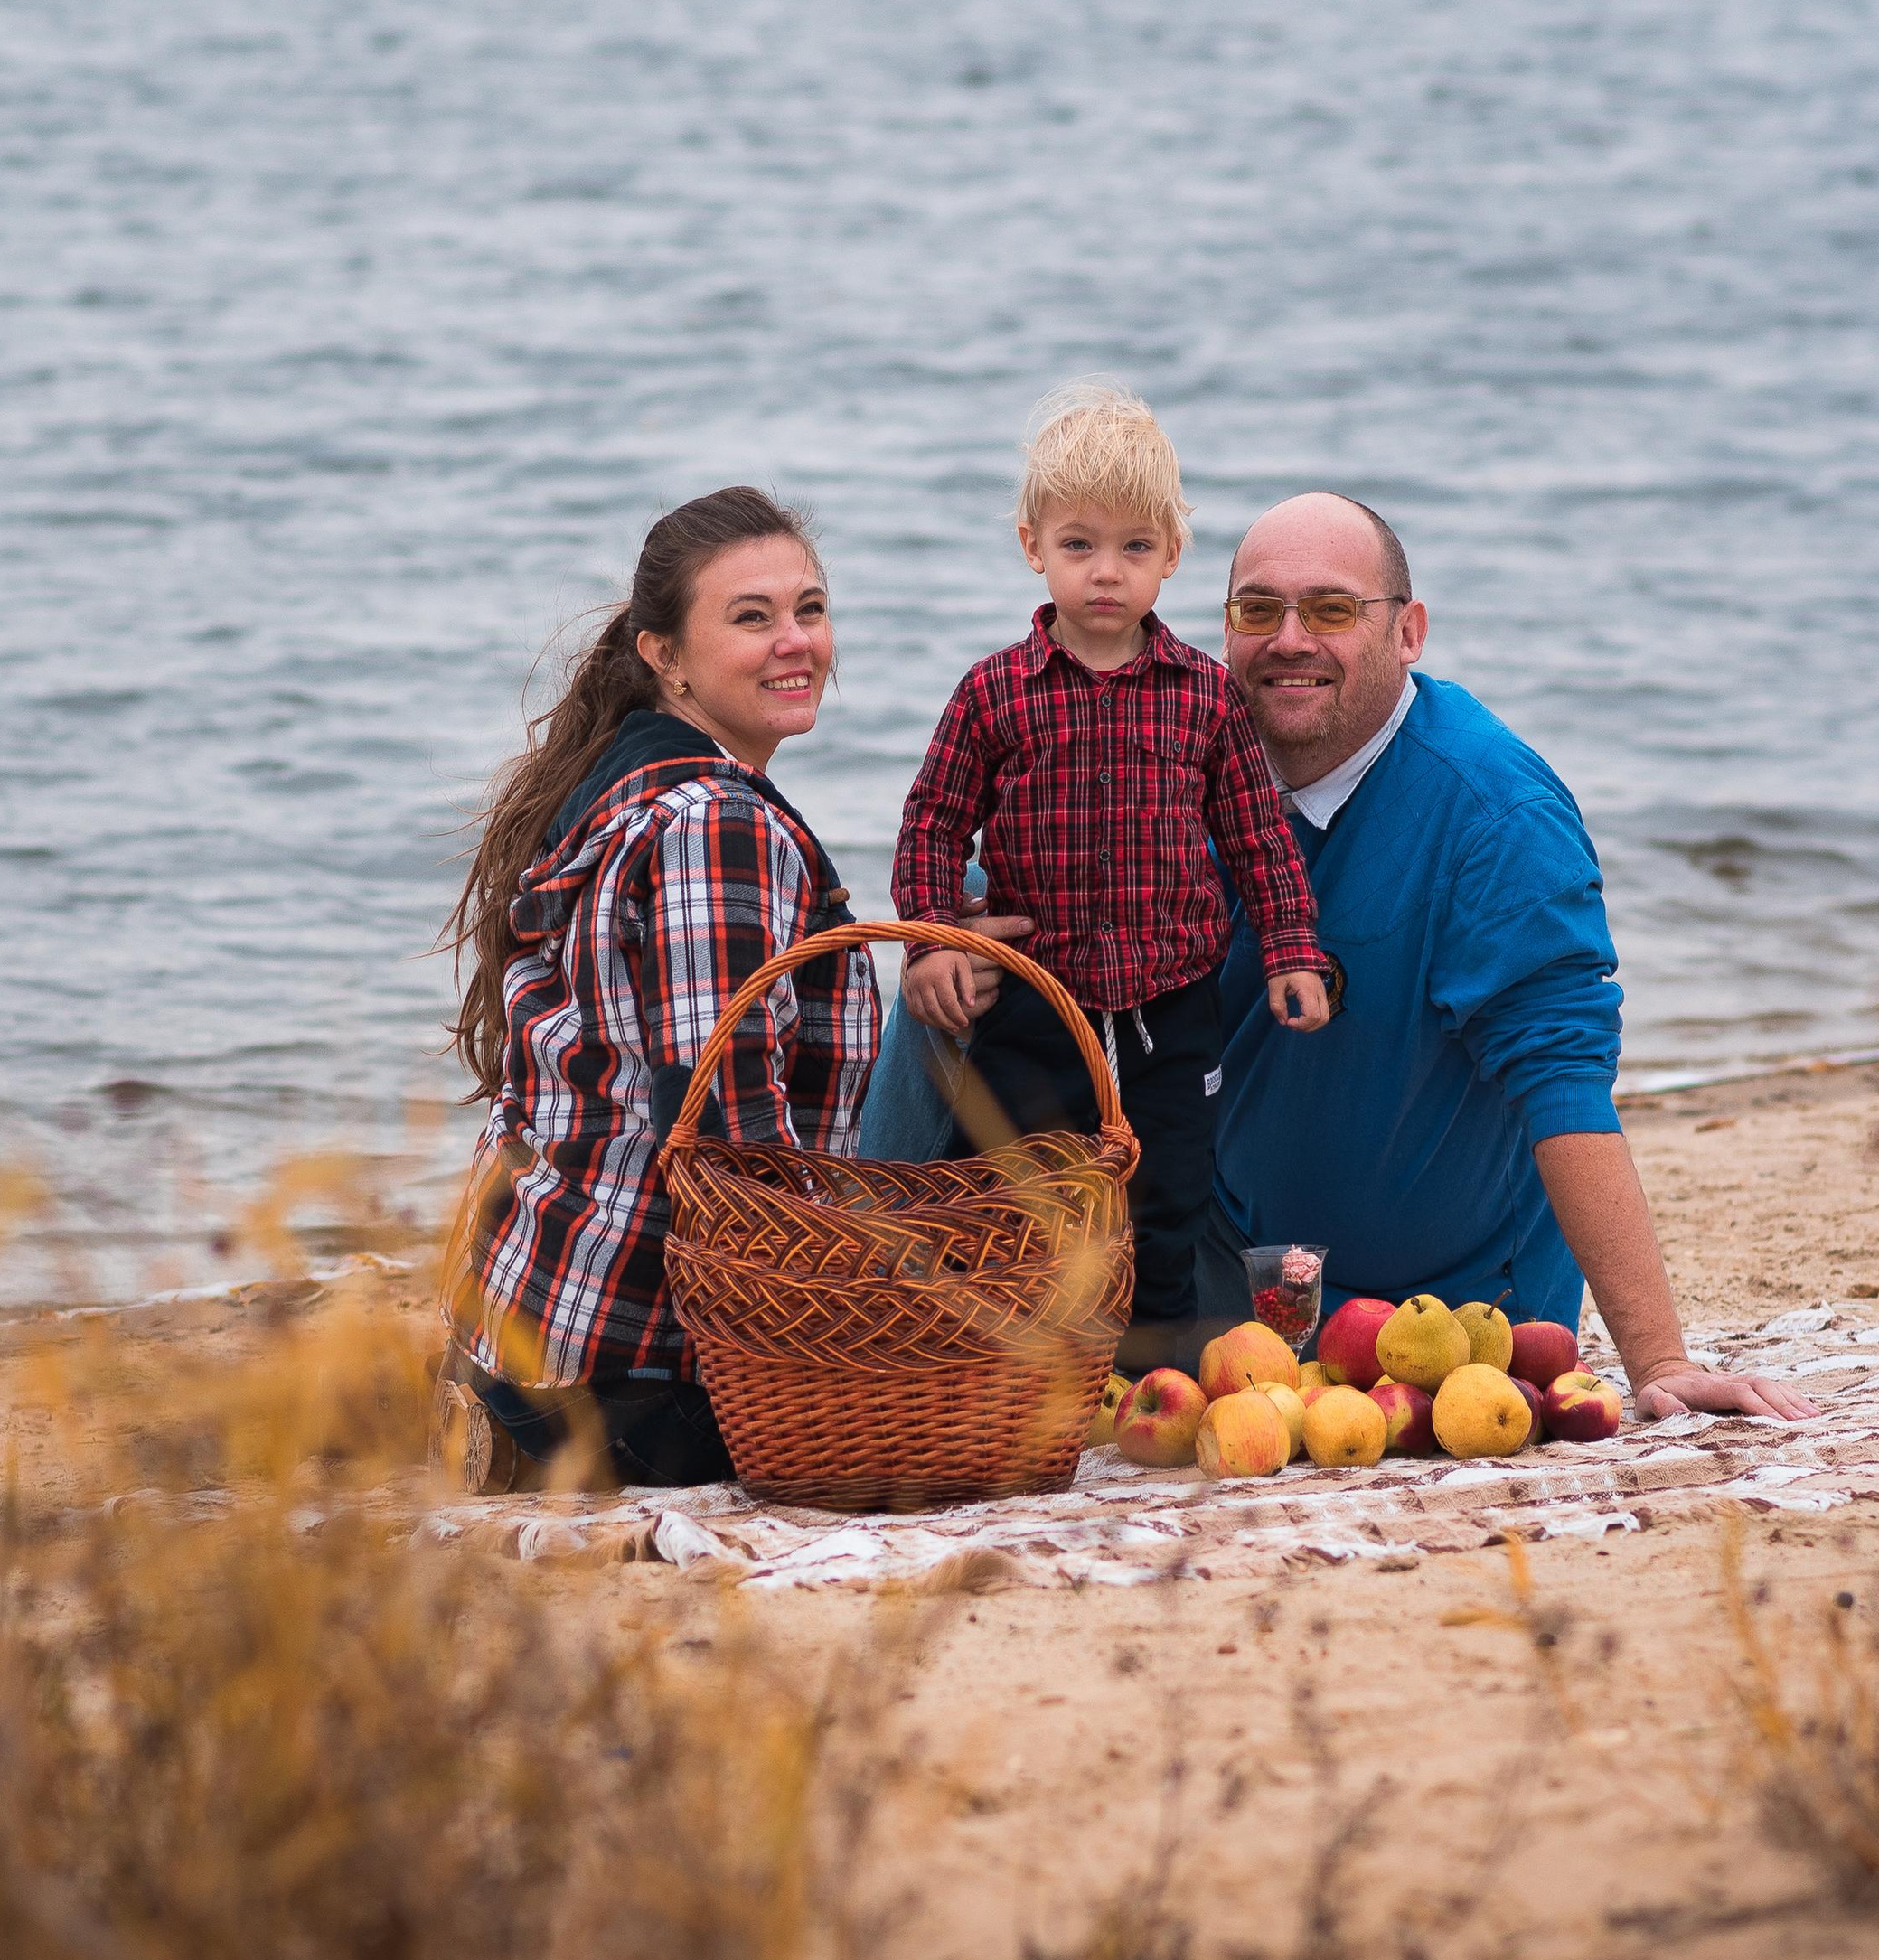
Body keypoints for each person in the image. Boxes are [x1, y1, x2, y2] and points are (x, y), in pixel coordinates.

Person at [868, 489, 1809, 1422]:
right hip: (1221, 1264)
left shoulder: (1492, 814)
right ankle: (862, 1305)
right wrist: (943, 934)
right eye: (1256, 610)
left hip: (1429, 1316)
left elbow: (1562, 1079)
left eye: (1329, 610)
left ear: (1409, 633)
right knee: (950, 970)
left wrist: (1660, 1359)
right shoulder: (1185, 760)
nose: (1288, 640)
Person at [438, 487, 879, 1492]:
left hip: (528, 1329)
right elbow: (724, 1137)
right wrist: (864, 1311)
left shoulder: (631, 777)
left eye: (809, 609)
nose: (795, 642)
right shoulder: (717, 823)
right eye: (751, 617)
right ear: (663, 654)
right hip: (633, 1380)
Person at [888, 384, 1332, 1374]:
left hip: (1173, 998)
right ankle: (1019, 1368)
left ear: (1173, 554)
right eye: (1079, 544)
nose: (1105, 571)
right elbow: (931, 822)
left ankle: (1151, 1365)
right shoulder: (994, 690)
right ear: (1031, 544)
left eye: (1134, 548)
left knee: (1169, 1182)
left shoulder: (1204, 694)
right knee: (1023, 1182)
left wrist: (1292, 953)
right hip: (1035, 998)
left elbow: (1257, 837)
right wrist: (931, 943)